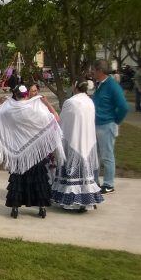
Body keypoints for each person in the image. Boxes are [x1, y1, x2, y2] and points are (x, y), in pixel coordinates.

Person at [0, 85, 64, 219]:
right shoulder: (37, 109)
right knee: (39, 179)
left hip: (18, 154)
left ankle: (15, 208)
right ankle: (42, 208)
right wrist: (46, 103)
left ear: (15, 95)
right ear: (27, 95)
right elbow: (56, 119)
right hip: (36, 152)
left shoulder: (9, 110)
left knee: (18, 180)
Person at [51, 81, 104, 212]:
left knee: (72, 173)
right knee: (85, 173)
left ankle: (73, 201)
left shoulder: (71, 102)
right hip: (87, 141)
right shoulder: (90, 102)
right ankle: (86, 200)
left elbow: (63, 122)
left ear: (74, 87)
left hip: (74, 141)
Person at [91, 59, 129, 194]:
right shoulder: (100, 84)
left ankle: (108, 183)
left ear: (100, 71)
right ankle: (94, 181)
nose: (92, 72)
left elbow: (124, 107)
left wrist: (116, 121)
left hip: (107, 125)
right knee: (95, 155)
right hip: (97, 124)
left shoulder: (112, 85)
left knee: (107, 155)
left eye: (94, 70)